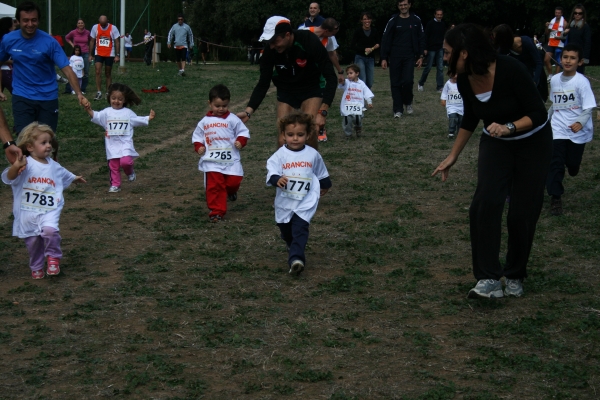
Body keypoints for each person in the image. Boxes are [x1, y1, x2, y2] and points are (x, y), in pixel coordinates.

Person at [432, 24, 553, 299]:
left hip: (532, 143)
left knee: (522, 212)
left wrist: (509, 126)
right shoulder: (464, 79)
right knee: (484, 204)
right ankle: (487, 278)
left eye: (448, 52)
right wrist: (453, 156)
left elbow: (538, 112)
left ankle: (514, 274)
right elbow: (473, 117)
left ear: (464, 53)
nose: (445, 57)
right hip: (496, 142)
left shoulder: (510, 69)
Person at [0, 1, 89, 159]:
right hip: (22, 96)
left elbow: (67, 69)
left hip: (47, 97)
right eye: (25, 20)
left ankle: (50, 167)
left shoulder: (49, 42)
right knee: (24, 140)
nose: (30, 24)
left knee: (46, 141)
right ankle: (28, 179)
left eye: (33, 20)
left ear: (38, 21)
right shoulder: (8, 40)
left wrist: (79, 93)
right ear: (18, 21)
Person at [236, 16, 336, 150]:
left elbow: (331, 77)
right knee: (283, 138)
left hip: (311, 89)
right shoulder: (270, 51)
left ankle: (311, 169)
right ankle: (284, 171)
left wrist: (322, 112)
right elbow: (263, 83)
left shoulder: (308, 40)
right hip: (286, 91)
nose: (271, 46)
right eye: (269, 42)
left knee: (310, 133)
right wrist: (248, 111)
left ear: (287, 35)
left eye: (274, 41)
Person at [1, 122, 86, 279]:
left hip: (49, 209)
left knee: (50, 231)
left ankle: (53, 257)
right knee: (33, 242)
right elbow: (9, 177)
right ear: (30, 147)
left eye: (49, 142)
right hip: (27, 211)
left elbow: (64, 173)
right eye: (43, 142)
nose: (48, 146)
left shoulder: (53, 165)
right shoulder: (25, 164)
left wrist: (75, 178)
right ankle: (36, 266)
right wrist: (16, 166)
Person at [266, 112, 331, 275]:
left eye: (300, 135)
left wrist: (325, 184)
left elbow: (321, 171)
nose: (295, 138)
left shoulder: (312, 154)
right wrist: (276, 179)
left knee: (300, 229)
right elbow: (271, 169)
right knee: (285, 229)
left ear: (308, 135)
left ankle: (296, 259)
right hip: (285, 201)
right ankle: (290, 243)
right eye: (290, 135)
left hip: (305, 201)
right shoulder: (280, 155)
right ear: (283, 135)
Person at [546, 44, 596, 216]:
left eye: (572, 58)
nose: (568, 61)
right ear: (561, 59)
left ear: (580, 62)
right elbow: (555, 104)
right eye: (565, 57)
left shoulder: (582, 82)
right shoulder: (554, 80)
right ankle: (555, 197)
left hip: (577, 131)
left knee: (572, 163)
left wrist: (580, 122)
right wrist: (546, 119)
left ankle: (574, 166)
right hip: (558, 128)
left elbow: (589, 107)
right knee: (555, 162)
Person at [192, 84, 250, 223]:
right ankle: (216, 211)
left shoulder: (232, 119)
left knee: (233, 182)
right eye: (217, 106)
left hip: (231, 158)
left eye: (224, 106)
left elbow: (243, 131)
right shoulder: (205, 122)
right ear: (210, 104)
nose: (221, 109)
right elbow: (197, 136)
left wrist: (240, 141)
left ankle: (231, 191)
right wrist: (199, 146)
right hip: (212, 161)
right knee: (215, 186)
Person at [85, 83, 155, 193]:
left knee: (126, 162)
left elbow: (137, 120)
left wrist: (148, 118)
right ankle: (115, 184)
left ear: (124, 100)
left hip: (125, 143)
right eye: (113, 98)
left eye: (120, 99)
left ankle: (130, 172)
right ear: (109, 98)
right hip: (112, 145)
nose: (116, 101)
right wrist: (88, 109)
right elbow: (96, 116)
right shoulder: (106, 112)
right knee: (114, 166)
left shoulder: (128, 113)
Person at [300, 17, 343, 142]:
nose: (333, 36)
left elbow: (331, 54)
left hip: (317, 74)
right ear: (326, 31)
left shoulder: (328, 38)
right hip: (301, 73)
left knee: (319, 100)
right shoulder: (303, 31)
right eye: (333, 33)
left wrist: (340, 71)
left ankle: (320, 129)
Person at [381, 0, 425, 118]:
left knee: (407, 81)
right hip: (395, 56)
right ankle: (398, 110)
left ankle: (408, 102)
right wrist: (384, 57)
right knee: (395, 83)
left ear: (410, 5)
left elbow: (421, 38)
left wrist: (421, 56)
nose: (403, 7)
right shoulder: (393, 21)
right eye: (401, 5)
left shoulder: (416, 20)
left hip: (410, 56)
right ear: (398, 6)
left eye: (405, 4)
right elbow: (385, 39)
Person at [492, 24, 547, 101]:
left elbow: (539, 63)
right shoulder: (503, 50)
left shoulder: (526, 42)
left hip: (535, 75)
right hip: (521, 77)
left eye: (495, 38)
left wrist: (534, 81)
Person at [89, 15, 121, 101]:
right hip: (98, 53)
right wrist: (90, 54)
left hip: (109, 53)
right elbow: (92, 41)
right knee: (97, 71)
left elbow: (117, 41)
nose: (102, 26)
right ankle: (99, 92)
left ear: (107, 21)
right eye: (101, 24)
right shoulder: (95, 27)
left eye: (104, 24)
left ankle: (108, 92)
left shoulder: (113, 28)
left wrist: (117, 55)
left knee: (108, 73)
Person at [338, 64, 374, 139]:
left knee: (357, 119)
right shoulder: (347, 82)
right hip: (347, 106)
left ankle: (358, 127)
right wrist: (342, 81)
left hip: (358, 106)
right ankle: (348, 134)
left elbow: (366, 93)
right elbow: (343, 83)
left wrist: (369, 102)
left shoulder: (361, 84)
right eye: (347, 74)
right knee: (347, 121)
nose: (349, 75)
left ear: (357, 73)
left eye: (351, 73)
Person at [418, 9, 446, 92]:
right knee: (428, 67)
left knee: (440, 68)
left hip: (440, 48)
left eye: (441, 14)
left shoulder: (443, 24)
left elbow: (444, 36)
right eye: (438, 14)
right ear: (435, 15)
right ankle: (421, 83)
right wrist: (425, 48)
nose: (439, 16)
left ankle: (440, 86)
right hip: (431, 49)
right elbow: (426, 36)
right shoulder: (430, 24)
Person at [351, 12, 380, 90]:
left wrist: (376, 46)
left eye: (368, 19)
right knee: (362, 80)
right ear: (361, 21)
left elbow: (378, 42)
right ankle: (361, 100)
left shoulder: (374, 31)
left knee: (370, 82)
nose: (367, 21)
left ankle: (366, 97)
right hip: (360, 57)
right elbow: (352, 46)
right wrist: (364, 49)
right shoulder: (358, 31)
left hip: (370, 58)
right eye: (365, 19)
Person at [65, 19, 91, 93]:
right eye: (79, 23)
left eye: (82, 23)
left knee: (85, 71)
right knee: (72, 70)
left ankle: (82, 89)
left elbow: (91, 40)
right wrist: (73, 45)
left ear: (84, 24)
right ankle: (70, 88)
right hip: (76, 54)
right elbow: (67, 38)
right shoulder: (73, 32)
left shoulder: (87, 32)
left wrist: (88, 48)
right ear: (77, 25)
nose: (80, 24)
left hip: (85, 53)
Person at [565, 4, 591, 74]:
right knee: (569, 73)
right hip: (570, 53)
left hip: (579, 54)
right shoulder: (570, 25)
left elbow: (587, 43)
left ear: (583, 15)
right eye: (575, 13)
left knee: (579, 74)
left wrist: (585, 58)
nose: (577, 15)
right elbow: (564, 40)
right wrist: (564, 33)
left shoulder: (585, 26)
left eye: (580, 13)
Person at [545, 6, 569, 79]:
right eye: (556, 12)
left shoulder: (564, 22)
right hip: (551, 42)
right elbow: (547, 33)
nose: (557, 14)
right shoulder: (552, 21)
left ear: (561, 14)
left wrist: (560, 37)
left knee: (558, 61)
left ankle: (556, 76)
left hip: (560, 43)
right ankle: (550, 75)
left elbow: (566, 34)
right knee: (546, 60)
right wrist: (546, 27)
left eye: (559, 13)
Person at [439, 74, 463, 138]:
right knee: (453, 118)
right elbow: (444, 92)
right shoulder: (448, 84)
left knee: (461, 120)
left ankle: (460, 132)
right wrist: (443, 99)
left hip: (461, 106)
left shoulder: (463, 83)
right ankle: (451, 132)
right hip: (452, 106)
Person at [0, 16, 15, 97]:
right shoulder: (5, 40)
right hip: (5, 71)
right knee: (19, 94)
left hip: (5, 70)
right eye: (13, 25)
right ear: (9, 27)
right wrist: (13, 61)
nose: (15, 27)